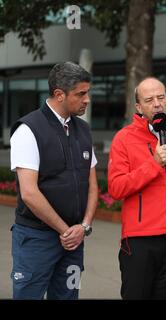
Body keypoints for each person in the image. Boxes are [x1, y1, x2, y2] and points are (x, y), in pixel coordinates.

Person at [9, 62, 98, 299]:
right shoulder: (28, 130)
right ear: (59, 94)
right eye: (81, 94)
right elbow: (29, 192)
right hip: (36, 239)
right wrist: (66, 231)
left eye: (87, 92)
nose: (87, 99)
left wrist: (84, 227)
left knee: (68, 296)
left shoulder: (84, 130)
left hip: (74, 242)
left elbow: (92, 186)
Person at [108, 77, 166, 300]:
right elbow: (116, 188)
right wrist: (154, 164)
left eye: (161, 97)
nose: (157, 103)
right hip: (140, 240)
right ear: (139, 107)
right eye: (149, 100)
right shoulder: (123, 139)